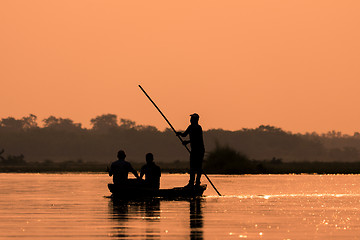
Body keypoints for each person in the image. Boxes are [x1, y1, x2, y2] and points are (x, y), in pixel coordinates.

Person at [176, 113, 205, 187]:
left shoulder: (198, 128)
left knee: (198, 167)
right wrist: (180, 134)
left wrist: (187, 142)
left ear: (196, 120)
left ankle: (197, 182)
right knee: (192, 166)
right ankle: (191, 182)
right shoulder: (190, 127)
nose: (191, 120)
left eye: (192, 119)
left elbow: (197, 139)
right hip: (194, 150)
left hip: (199, 150)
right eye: (191, 119)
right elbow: (184, 135)